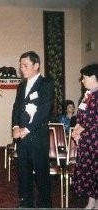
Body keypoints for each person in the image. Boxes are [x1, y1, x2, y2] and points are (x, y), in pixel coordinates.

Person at [12, 51, 54, 208]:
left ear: (36, 66)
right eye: (21, 65)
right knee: (23, 172)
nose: (22, 69)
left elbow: (44, 110)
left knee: (41, 172)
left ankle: (44, 203)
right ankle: (26, 201)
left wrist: (27, 129)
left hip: (37, 135)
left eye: (25, 65)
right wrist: (15, 126)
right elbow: (16, 107)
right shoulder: (21, 85)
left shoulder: (46, 84)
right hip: (22, 137)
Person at [72, 63, 98, 209]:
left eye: (84, 77)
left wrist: (81, 129)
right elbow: (81, 117)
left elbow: (94, 120)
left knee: (94, 171)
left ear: (93, 77)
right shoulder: (88, 95)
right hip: (87, 140)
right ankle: (92, 201)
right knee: (89, 171)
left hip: (95, 140)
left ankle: (94, 202)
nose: (82, 80)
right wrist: (77, 128)